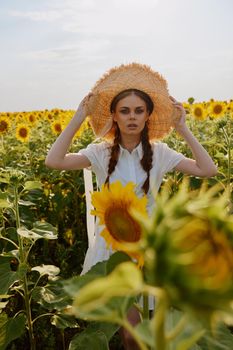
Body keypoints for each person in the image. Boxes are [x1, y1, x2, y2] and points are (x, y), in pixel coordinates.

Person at [45, 62, 217, 349]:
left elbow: (207, 170)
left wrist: (183, 128)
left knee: (154, 331)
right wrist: (78, 117)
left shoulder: (160, 153)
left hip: (150, 247)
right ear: (114, 115)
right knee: (132, 334)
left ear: (148, 115)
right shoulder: (101, 153)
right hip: (113, 251)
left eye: (139, 111)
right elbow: (54, 161)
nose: (132, 117)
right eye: (124, 111)